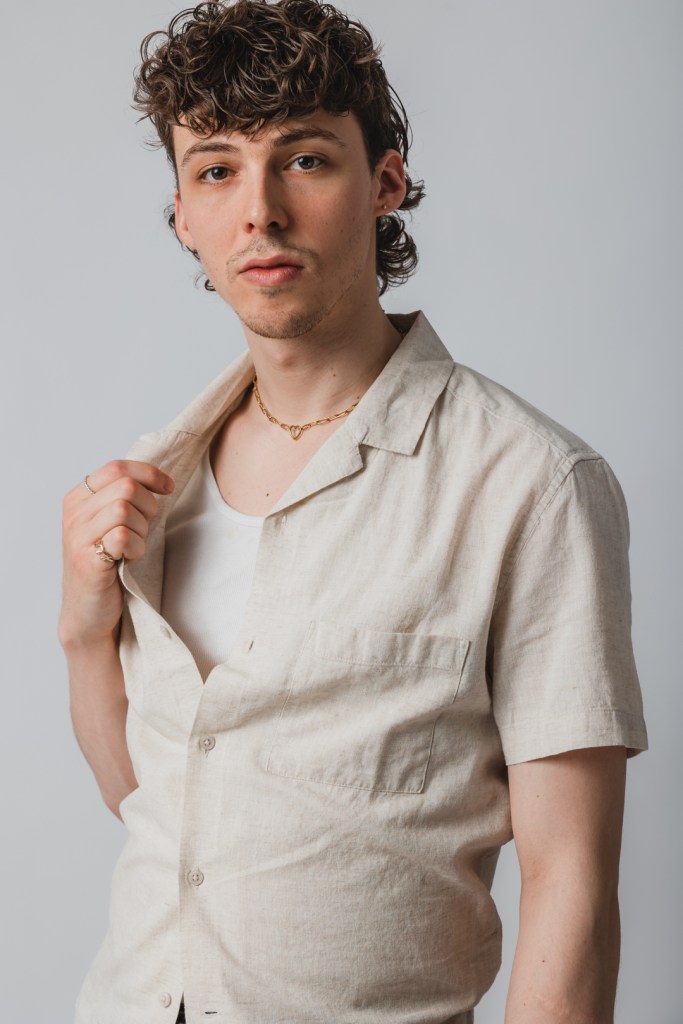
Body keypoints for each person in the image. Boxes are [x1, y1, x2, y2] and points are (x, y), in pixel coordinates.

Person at [59, 2, 647, 1022]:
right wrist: (82, 628)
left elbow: (572, 887)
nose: (259, 212)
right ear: (182, 213)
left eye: (304, 160)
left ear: (384, 182)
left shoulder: (528, 482)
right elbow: (155, 802)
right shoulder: (153, 481)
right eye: (217, 170)